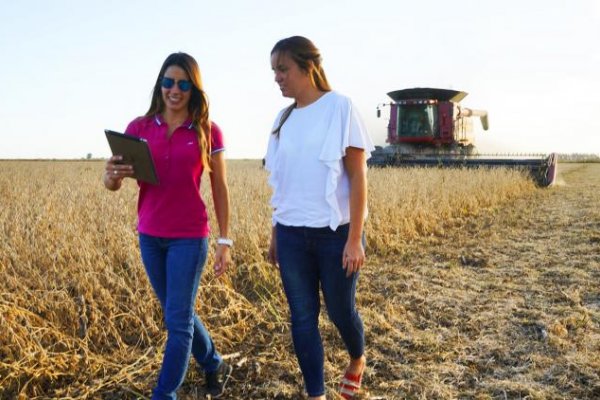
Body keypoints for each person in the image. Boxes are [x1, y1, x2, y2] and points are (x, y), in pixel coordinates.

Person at [103, 52, 233, 400]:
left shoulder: (207, 130)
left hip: (189, 238)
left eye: (183, 83)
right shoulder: (139, 128)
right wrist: (110, 177)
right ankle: (212, 361)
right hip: (150, 235)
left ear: (194, 88)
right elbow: (115, 183)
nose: (174, 89)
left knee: (177, 322)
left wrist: (225, 240)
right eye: (168, 82)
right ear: (160, 84)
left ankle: (164, 394)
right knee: (179, 314)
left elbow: (219, 187)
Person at [265, 36, 375, 400]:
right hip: (292, 235)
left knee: (341, 312)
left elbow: (357, 176)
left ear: (307, 67)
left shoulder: (339, 108)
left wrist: (355, 237)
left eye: (283, 69)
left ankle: (357, 358)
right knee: (301, 318)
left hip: (335, 234)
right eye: (274, 71)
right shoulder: (283, 120)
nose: (278, 78)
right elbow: (282, 182)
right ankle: (317, 394)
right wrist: (275, 232)